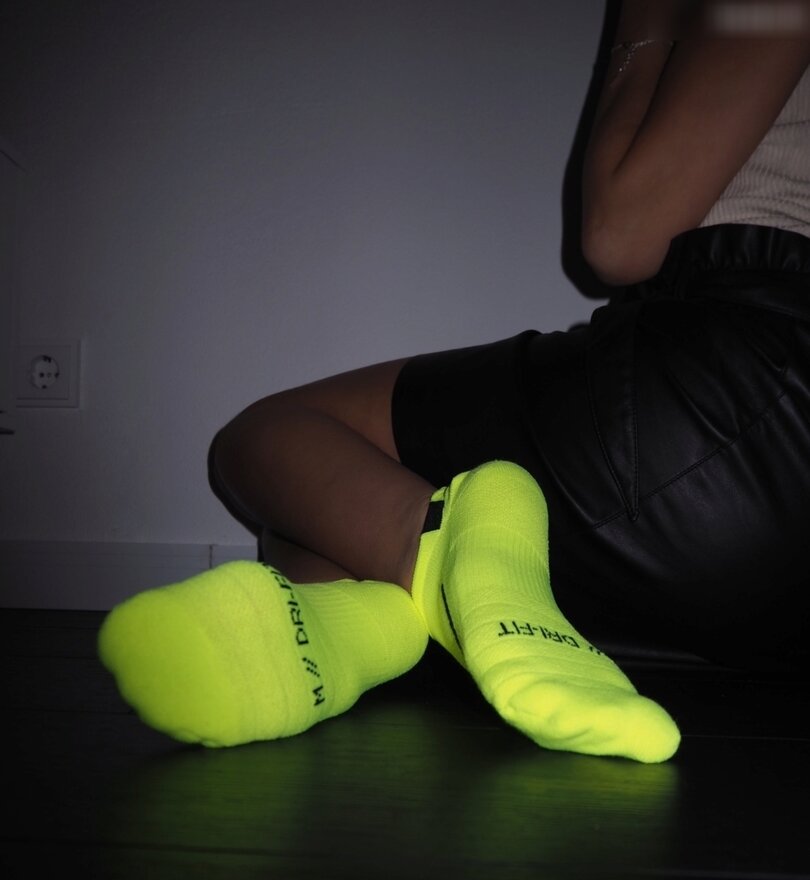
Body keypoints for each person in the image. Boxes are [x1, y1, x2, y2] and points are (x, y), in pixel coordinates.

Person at [98, 0, 810, 763]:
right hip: (777, 578)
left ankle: (441, 543)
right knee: (318, 514)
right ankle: (370, 626)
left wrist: (644, 22)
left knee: (266, 439)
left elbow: (619, 236)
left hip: (740, 386)